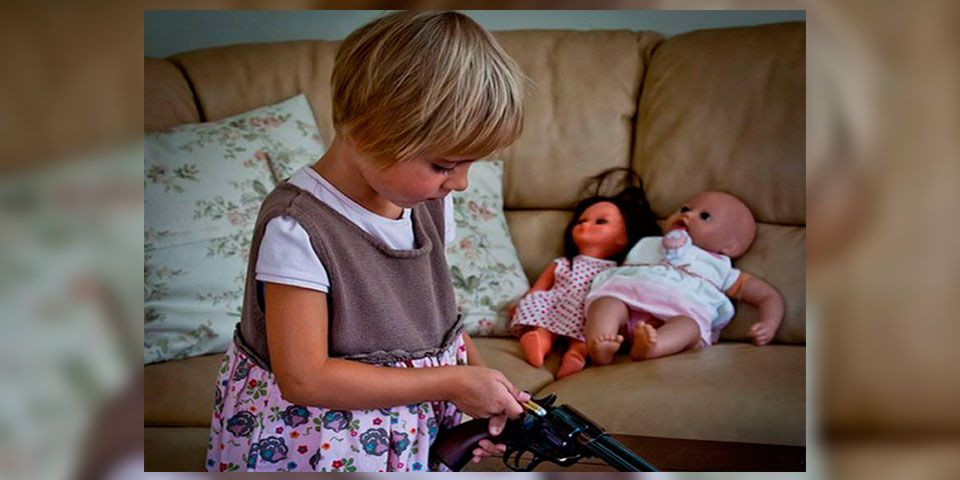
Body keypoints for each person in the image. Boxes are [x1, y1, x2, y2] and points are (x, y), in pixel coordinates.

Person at [206, 11, 528, 472]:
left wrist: (485, 383)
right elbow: (304, 378)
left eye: (468, 164)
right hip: (322, 442)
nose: (460, 183)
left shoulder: (427, 204)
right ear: (364, 129)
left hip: (406, 428)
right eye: (444, 165)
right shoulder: (299, 227)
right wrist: (453, 382)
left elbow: (441, 322)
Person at [584, 191, 785, 365]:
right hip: (627, 305)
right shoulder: (650, 243)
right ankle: (601, 345)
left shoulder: (719, 268)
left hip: (677, 317)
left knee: (689, 326)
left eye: (704, 216)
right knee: (606, 303)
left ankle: (653, 347)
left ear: (730, 247)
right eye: (685, 209)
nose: (687, 214)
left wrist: (769, 324)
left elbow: (767, 295)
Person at [508, 168, 660, 379]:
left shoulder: (617, 271)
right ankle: (540, 339)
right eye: (581, 221)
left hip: (588, 309)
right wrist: (526, 298)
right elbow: (539, 288)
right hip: (556, 302)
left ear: (624, 238)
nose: (586, 224)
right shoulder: (562, 263)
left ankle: (577, 352)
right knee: (537, 306)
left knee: (596, 328)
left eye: (600, 222)